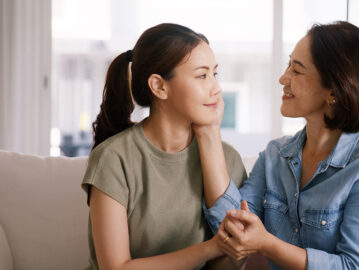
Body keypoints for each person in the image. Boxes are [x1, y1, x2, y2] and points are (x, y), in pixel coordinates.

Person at [201, 21, 359, 270]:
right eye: (288, 65)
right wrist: (209, 130)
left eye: (296, 71)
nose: (282, 78)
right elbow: (234, 226)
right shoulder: (275, 155)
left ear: (334, 89)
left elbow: (356, 267)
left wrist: (267, 244)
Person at [81, 23, 247, 270]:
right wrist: (211, 248)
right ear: (159, 86)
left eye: (215, 74)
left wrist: (210, 134)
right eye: (202, 75)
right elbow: (116, 268)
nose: (216, 88)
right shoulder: (113, 159)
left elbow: (234, 260)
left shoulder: (228, 160)